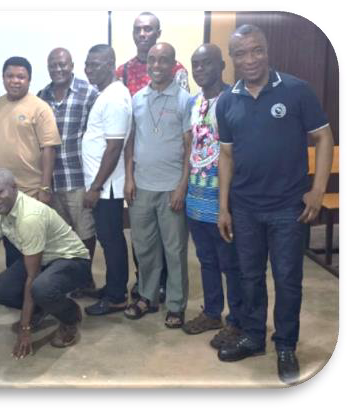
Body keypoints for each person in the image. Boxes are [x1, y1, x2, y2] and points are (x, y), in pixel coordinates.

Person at [216, 25, 334, 385]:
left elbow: (324, 137)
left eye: (257, 51)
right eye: (241, 53)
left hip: (288, 207)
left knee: (287, 280)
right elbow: (226, 155)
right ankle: (253, 336)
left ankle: (285, 344)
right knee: (249, 277)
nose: (250, 60)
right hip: (246, 207)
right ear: (232, 58)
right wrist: (223, 207)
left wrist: (318, 190)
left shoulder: (296, 90)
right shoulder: (226, 101)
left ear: (267, 52)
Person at [116, 12, 190, 301]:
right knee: (144, 246)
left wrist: (182, 184)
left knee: (174, 248)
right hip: (141, 181)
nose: (157, 65)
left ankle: (174, 301)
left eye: (163, 61)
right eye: (152, 61)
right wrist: (129, 177)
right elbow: (130, 137)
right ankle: (146, 294)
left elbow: (188, 141)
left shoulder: (182, 89)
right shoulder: (130, 87)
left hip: (171, 182)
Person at [0, 168, 91, 358]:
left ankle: (70, 316)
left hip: (72, 260)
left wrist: (25, 329)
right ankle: (44, 308)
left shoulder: (29, 217)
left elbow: (32, 277)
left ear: (14, 188)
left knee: (40, 288)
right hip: (43, 260)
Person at [180, 44, 244, 350]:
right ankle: (212, 312)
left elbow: (237, 151)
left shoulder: (234, 100)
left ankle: (237, 320)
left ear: (221, 65)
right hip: (196, 195)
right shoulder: (193, 102)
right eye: (195, 64)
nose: (200, 69)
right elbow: (189, 149)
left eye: (207, 63)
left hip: (223, 199)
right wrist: (183, 187)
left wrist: (227, 203)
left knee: (230, 263)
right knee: (206, 260)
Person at [36, 47, 100, 298]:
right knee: (62, 236)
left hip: (78, 177)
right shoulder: (42, 96)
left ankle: (85, 279)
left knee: (85, 233)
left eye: (63, 64)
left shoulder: (89, 93)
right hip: (52, 179)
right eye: (53, 65)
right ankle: (67, 279)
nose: (58, 69)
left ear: (72, 65)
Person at [0, 56, 61, 269]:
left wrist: (45, 187)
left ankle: (35, 290)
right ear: (3, 78)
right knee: (11, 242)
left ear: (29, 80)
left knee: (33, 244)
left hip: (31, 190)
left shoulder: (40, 107)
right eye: (10, 76)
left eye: (21, 77)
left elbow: (49, 149)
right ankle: (16, 289)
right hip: (4, 191)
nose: (15, 81)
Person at [79, 45, 133, 316]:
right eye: (87, 64)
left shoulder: (113, 98)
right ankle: (114, 287)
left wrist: (96, 187)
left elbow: (114, 148)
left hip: (107, 188)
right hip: (105, 186)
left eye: (96, 64)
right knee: (110, 240)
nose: (89, 69)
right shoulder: (108, 94)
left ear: (111, 63)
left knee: (111, 241)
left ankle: (116, 297)